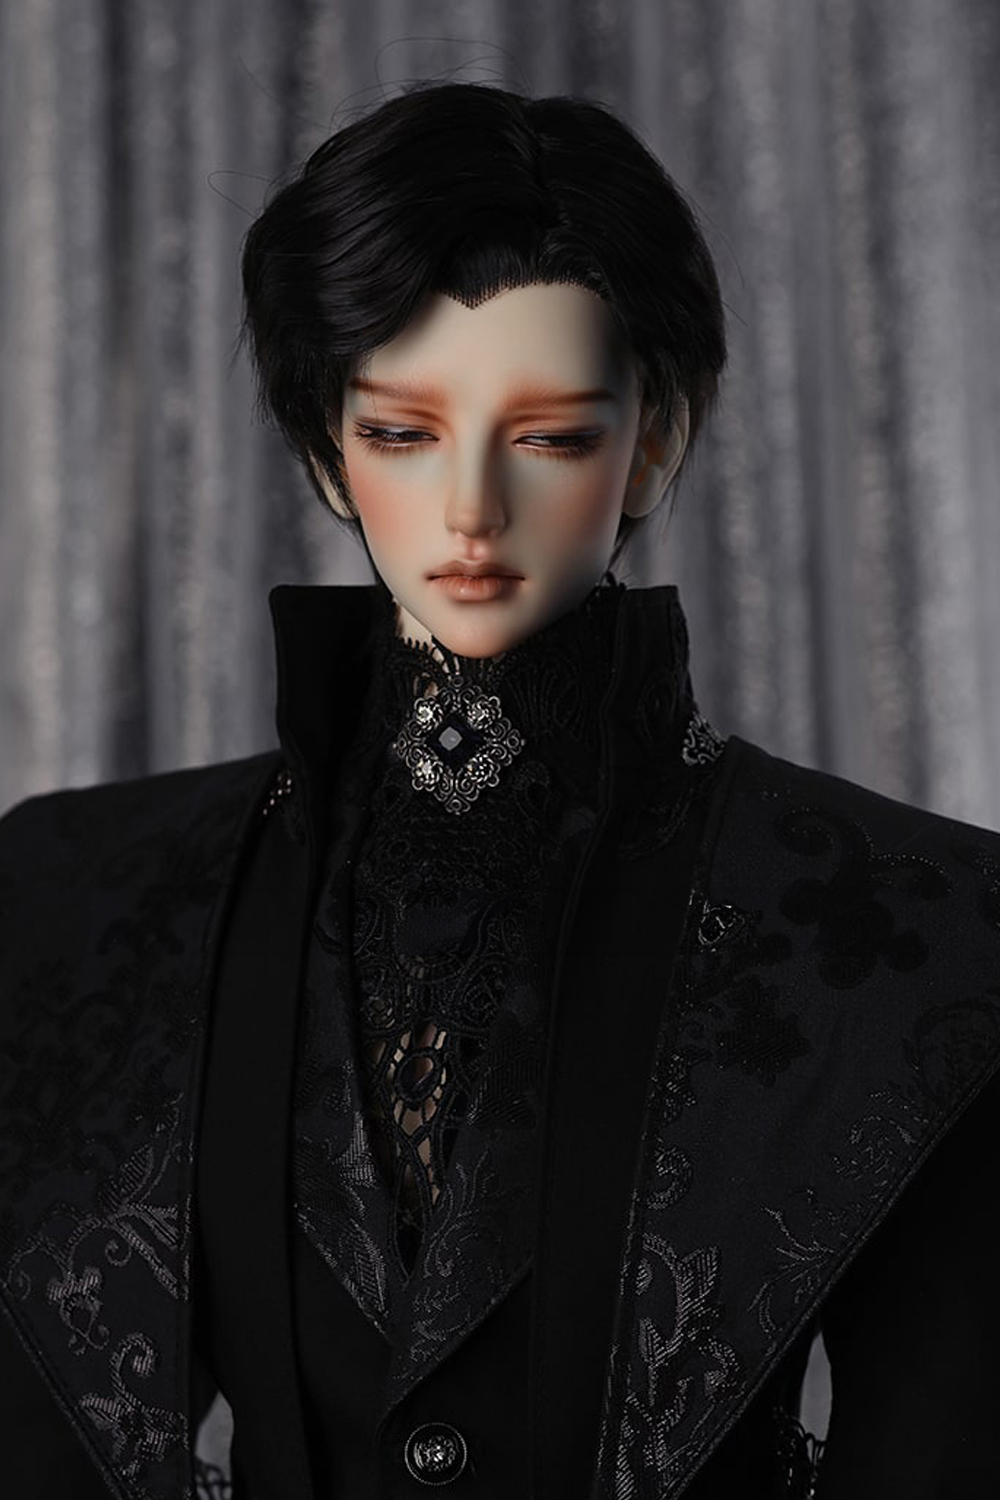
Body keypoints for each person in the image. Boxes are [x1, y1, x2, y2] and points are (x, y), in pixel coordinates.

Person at [1, 79, 999, 1500]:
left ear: (656, 437)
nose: (471, 510)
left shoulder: (916, 927)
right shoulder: (78, 900)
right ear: (324, 449)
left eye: (551, 436)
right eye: (401, 433)